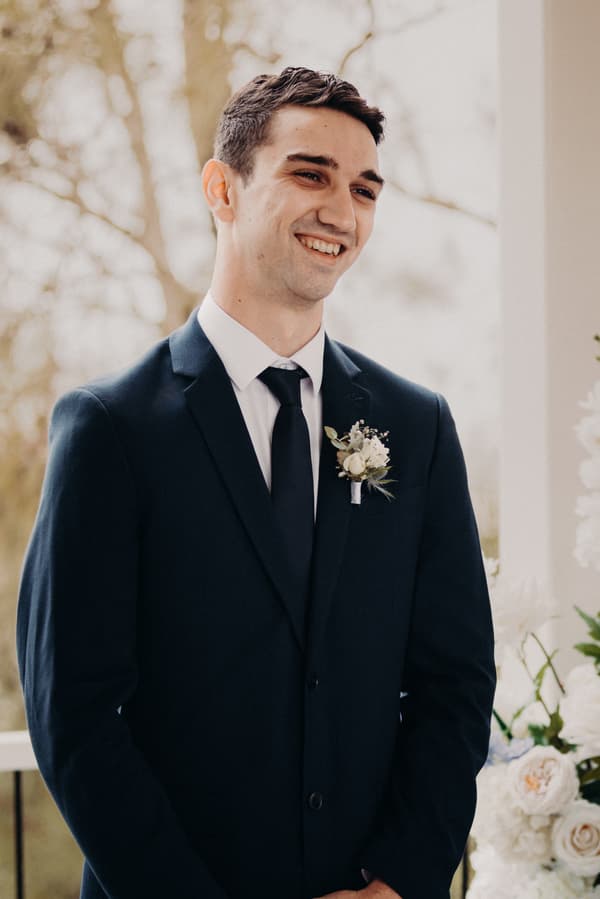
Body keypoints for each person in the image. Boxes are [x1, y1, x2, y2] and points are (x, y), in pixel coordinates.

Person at [16, 66, 496, 899]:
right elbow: (76, 717)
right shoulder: (110, 427)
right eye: (309, 173)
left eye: (365, 189)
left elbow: (455, 687)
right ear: (222, 189)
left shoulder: (416, 429)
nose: (341, 212)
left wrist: (397, 882)